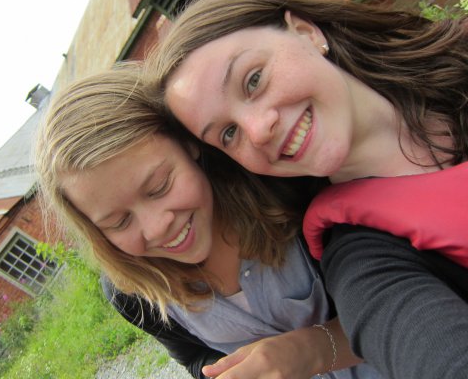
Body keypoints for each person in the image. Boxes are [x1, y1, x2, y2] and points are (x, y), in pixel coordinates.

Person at [141, 0, 468, 378]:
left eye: (253, 80)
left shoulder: (466, 53)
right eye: (229, 133)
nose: (257, 130)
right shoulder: (363, 258)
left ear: (306, 32)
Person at [34, 64, 383, 379]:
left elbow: (395, 305)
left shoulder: (287, 189)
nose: (157, 228)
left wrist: (308, 352)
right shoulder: (133, 293)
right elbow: (194, 356)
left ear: (187, 143)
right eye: (119, 222)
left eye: (159, 187)